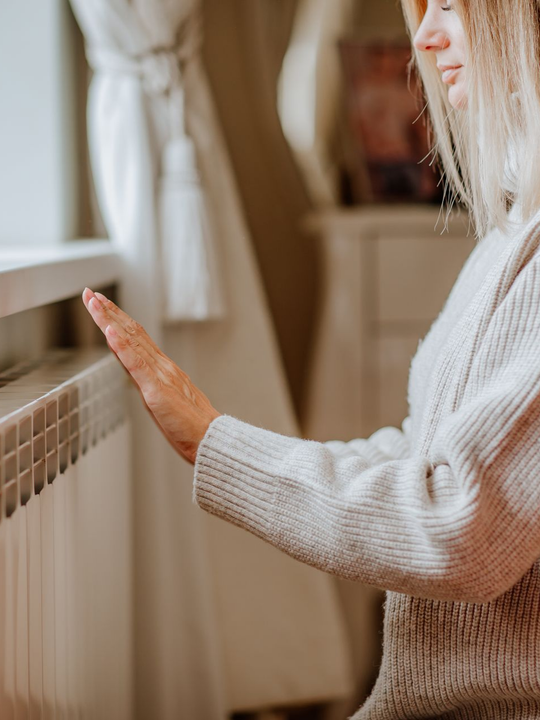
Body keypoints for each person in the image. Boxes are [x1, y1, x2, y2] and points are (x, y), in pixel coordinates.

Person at [82, 0, 540, 717]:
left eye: (450, 4)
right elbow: (420, 456)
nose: (421, 35)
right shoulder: (512, 235)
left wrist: (215, 443)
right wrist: (224, 441)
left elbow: (459, 527)